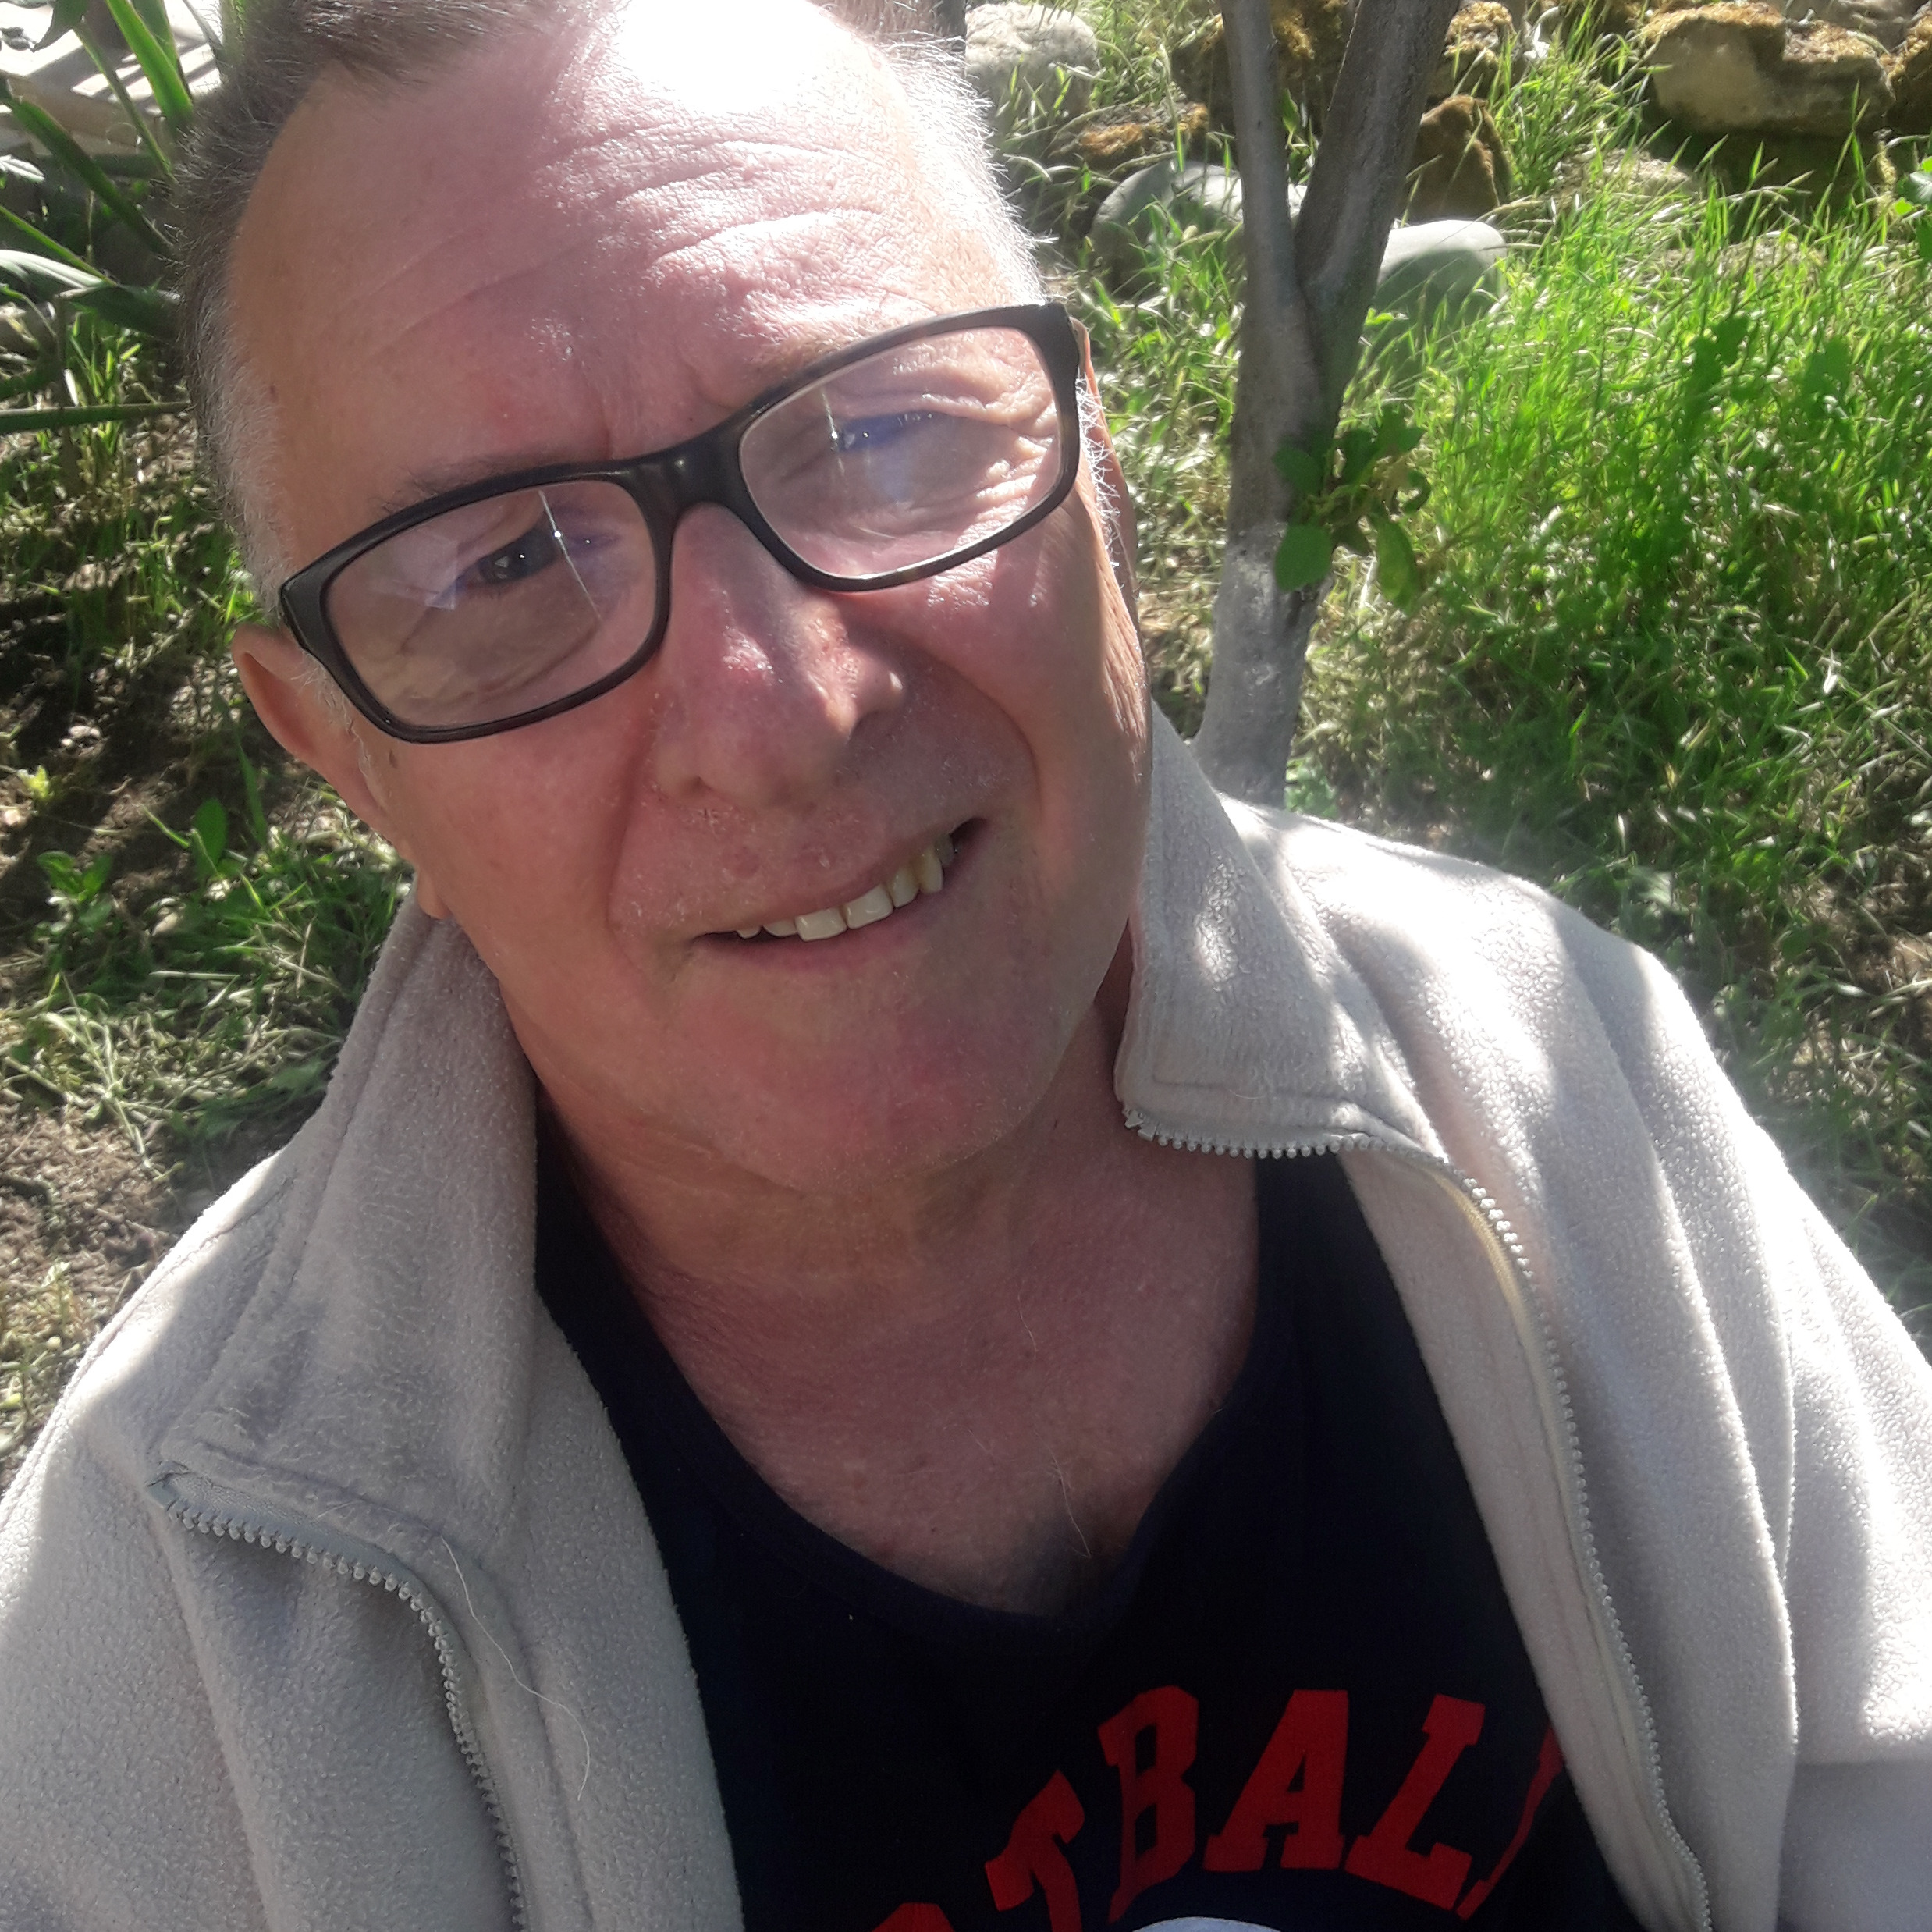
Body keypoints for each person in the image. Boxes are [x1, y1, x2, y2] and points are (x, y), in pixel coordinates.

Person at [2, 0, 1929, 1927]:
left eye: (873, 431)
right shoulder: (171, 1647)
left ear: (1096, 458)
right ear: (342, 752)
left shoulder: (1557, 1087)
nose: (780, 716)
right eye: (503, 564)